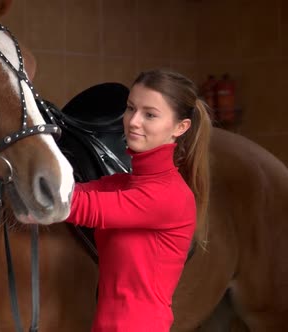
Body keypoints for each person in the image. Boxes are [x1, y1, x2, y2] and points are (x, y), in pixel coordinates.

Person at [63, 69, 211, 331]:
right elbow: (73, 193)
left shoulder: (169, 195)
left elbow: (76, 206)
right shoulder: (122, 184)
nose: (133, 121)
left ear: (180, 127)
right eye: (131, 108)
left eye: (150, 115)